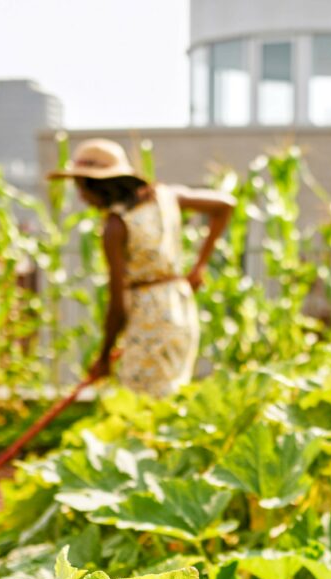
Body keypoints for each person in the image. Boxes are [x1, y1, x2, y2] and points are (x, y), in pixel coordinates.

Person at [49, 138, 234, 398]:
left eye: (81, 187)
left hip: (149, 318)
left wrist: (103, 357)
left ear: (98, 185)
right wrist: (197, 268)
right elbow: (225, 204)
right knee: (169, 399)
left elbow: (118, 304)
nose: (81, 196)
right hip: (179, 306)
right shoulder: (165, 197)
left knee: (140, 406)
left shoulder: (116, 225)